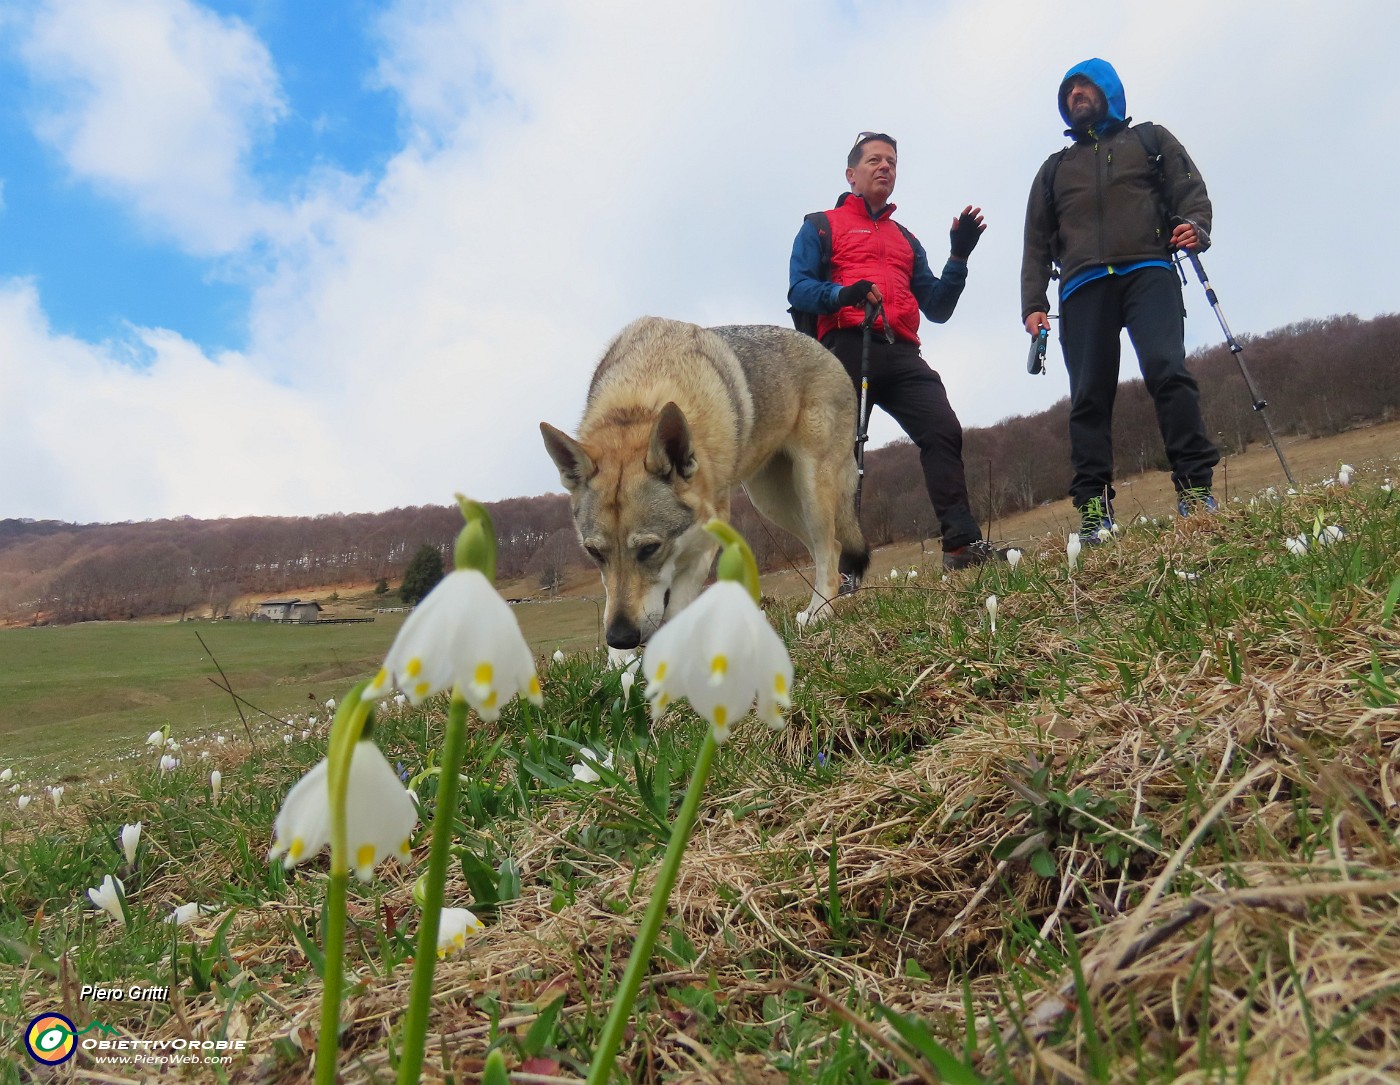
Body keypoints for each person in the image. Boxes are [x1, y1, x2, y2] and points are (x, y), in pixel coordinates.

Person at [1021, 58, 1221, 540]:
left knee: (1168, 370)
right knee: (1088, 396)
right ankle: (1094, 512)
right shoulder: (1053, 170)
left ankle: (1196, 490)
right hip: (1082, 284)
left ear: (1108, 90)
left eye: (1085, 87)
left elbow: (1191, 192)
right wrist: (1033, 303)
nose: (1076, 97)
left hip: (1149, 268)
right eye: (1069, 92)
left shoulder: (1150, 141)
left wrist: (1195, 228)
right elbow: (1035, 241)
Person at [789, 131, 1002, 573]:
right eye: (874, 160)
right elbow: (799, 288)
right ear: (851, 174)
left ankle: (961, 546)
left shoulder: (906, 239)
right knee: (839, 456)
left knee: (942, 428)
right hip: (843, 348)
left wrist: (958, 258)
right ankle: (839, 569)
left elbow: (938, 306)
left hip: (900, 348)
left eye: (891, 161)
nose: (885, 167)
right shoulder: (820, 226)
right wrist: (844, 294)